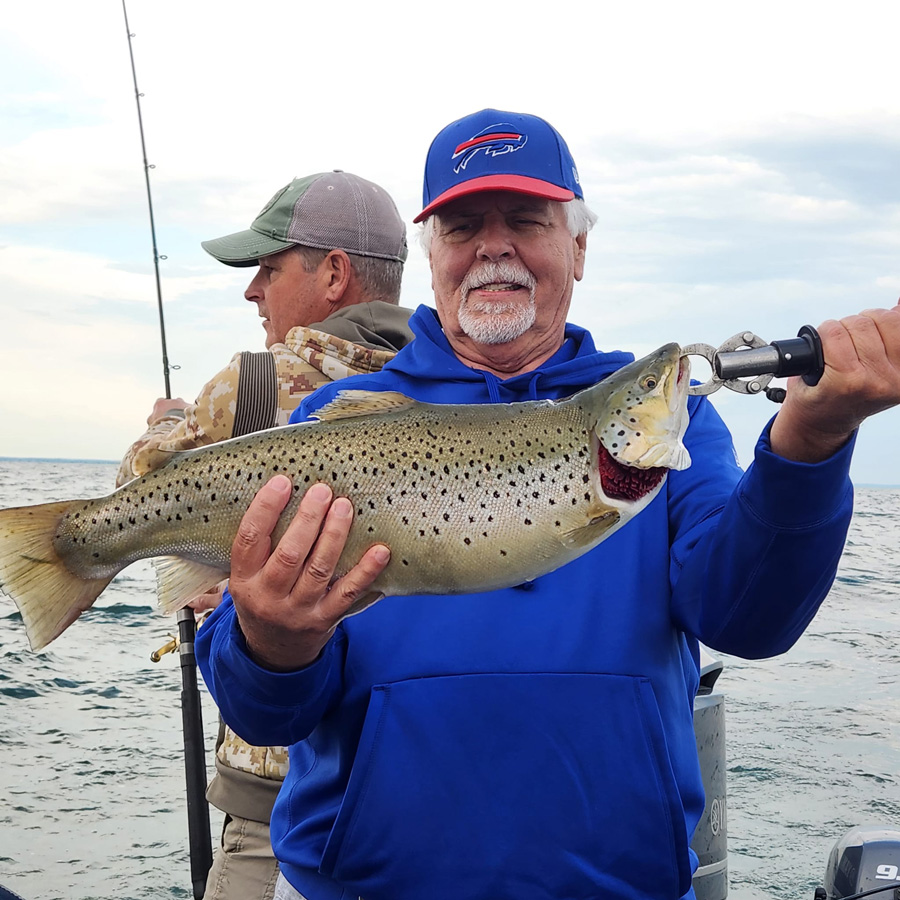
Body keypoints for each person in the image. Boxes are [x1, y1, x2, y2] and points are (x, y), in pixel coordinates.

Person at [195, 110, 900, 900]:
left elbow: (749, 621)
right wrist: (272, 642)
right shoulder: (335, 425)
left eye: (526, 220)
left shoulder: (672, 429)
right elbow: (264, 714)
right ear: (433, 255)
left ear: (579, 248)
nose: (493, 246)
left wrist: (810, 443)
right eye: (464, 226)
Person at [117, 170, 414, 900]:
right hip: (399, 786)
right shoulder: (439, 395)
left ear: (334, 274)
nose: (253, 291)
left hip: (268, 799)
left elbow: (138, 491)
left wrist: (166, 423)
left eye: (269, 269)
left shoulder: (250, 386)